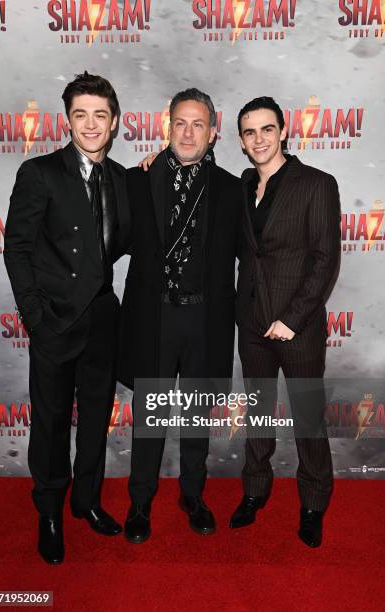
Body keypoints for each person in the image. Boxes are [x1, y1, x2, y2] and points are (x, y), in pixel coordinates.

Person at [4, 72, 130, 564]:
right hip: (54, 323)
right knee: (51, 423)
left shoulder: (122, 179)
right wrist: (35, 317)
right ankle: (50, 512)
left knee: (96, 420)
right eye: (81, 114)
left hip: (102, 322)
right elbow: (17, 248)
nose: (91, 124)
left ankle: (87, 503)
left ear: (115, 121)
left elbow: (128, 243)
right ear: (68, 120)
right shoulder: (39, 173)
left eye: (101, 114)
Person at [118, 88, 243, 543]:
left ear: (214, 131)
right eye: (180, 123)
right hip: (154, 319)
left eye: (198, 124)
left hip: (205, 321)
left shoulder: (233, 188)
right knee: (149, 417)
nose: (188, 133)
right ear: (166, 126)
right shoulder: (137, 180)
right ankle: (139, 501)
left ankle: (193, 495)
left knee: (195, 416)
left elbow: (250, 258)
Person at [231, 96, 341, 547]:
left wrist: (291, 320)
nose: (259, 139)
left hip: (298, 328)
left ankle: (313, 503)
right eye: (249, 132)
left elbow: (324, 261)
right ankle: (255, 492)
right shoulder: (239, 186)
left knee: (308, 420)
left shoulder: (317, 184)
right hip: (252, 324)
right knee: (257, 413)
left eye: (266, 129)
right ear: (241, 141)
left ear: (283, 131)